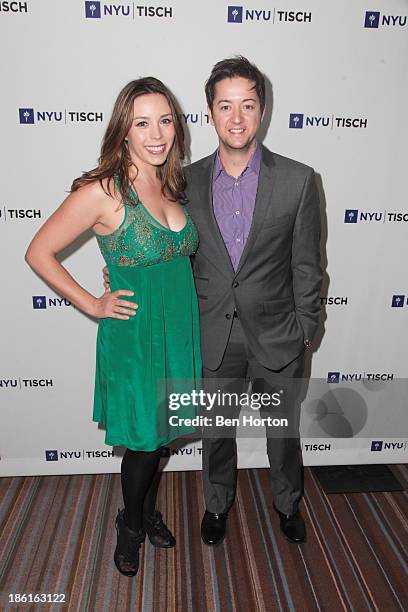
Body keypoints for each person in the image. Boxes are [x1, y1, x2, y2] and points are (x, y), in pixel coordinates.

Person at [104, 57, 322, 546]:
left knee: (283, 433)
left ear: (262, 111)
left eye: (248, 105)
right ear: (209, 113)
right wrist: (117, 274)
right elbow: (161, 243)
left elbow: (308, 266)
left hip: (279, 335)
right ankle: (216, 504)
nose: (237, 117)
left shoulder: (299, 180)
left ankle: (288, 503)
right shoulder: (182, 182)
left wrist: (307, 329)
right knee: (216, 434)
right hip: (212, 335)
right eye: (226, 106)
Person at [25, 77, 202, 577]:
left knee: (161, 435)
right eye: (142, 122)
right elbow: (39, 252)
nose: (156, 133)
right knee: (144, 443)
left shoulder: (170, 181)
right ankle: (131, 524)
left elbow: (168, 257)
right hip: (135, 337)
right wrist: (93, 303)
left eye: (165, 120)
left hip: (177, 333)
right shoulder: (102, 191)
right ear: (123, 129)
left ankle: (146, 510)